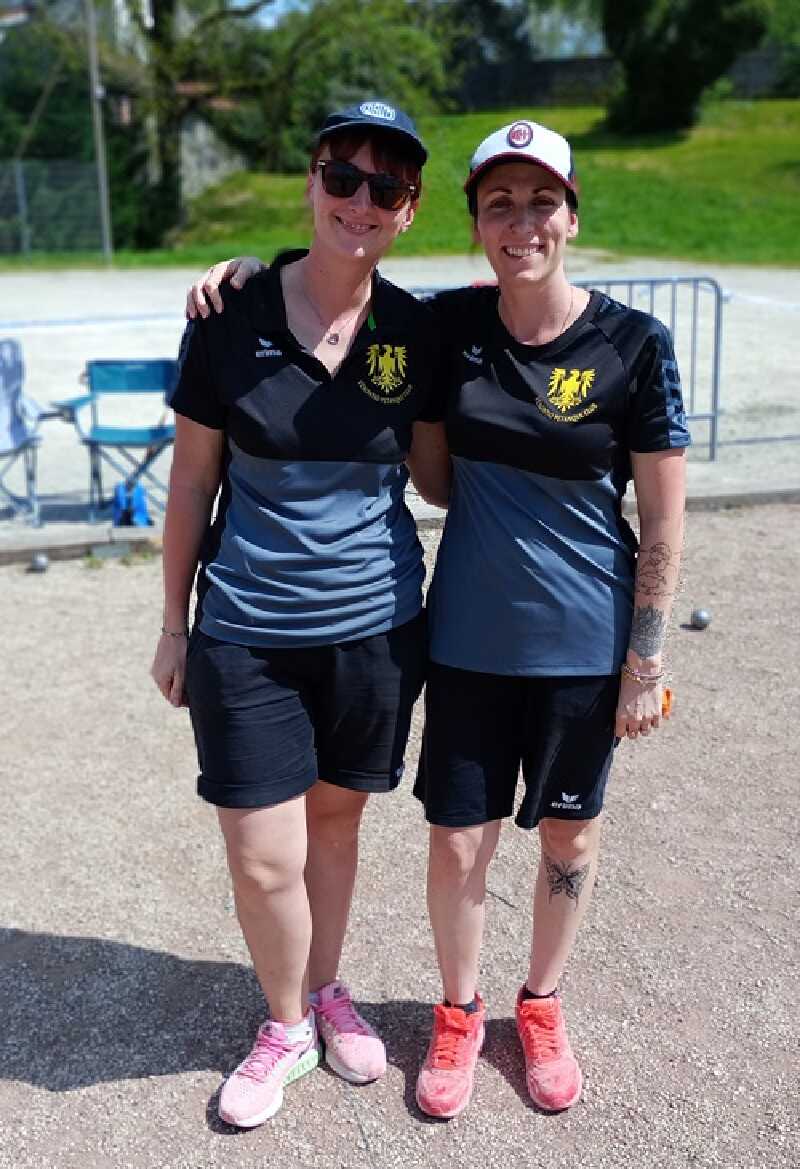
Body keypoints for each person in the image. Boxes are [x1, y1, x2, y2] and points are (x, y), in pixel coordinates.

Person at [186, 117, 689, 1120]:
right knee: (457, 845)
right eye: (499, 204)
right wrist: (249, 273)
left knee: (568, 840)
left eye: (540, 201)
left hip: (584, 643)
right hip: (463, 637)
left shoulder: (634, 343)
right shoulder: (450, 327)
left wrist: (645, 660)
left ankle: (539, 1003)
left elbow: (665, 518)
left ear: (571, 214)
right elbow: (340, 279)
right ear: (471, 222)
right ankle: (458, 1012)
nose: (520, 222)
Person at [151, 99, 450, 1129]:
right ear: (312, 182)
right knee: (261, 851)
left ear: (408, 209)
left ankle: (325, 988)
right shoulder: (227, 315)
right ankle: (284, 1025)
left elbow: (439, 476)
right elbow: (190, 484)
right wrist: (173, 622)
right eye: (342, 176)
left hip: (374, 628)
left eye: (385, 186)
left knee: (333, 824)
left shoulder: (416, 330)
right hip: (247, 630)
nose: (360, 200)